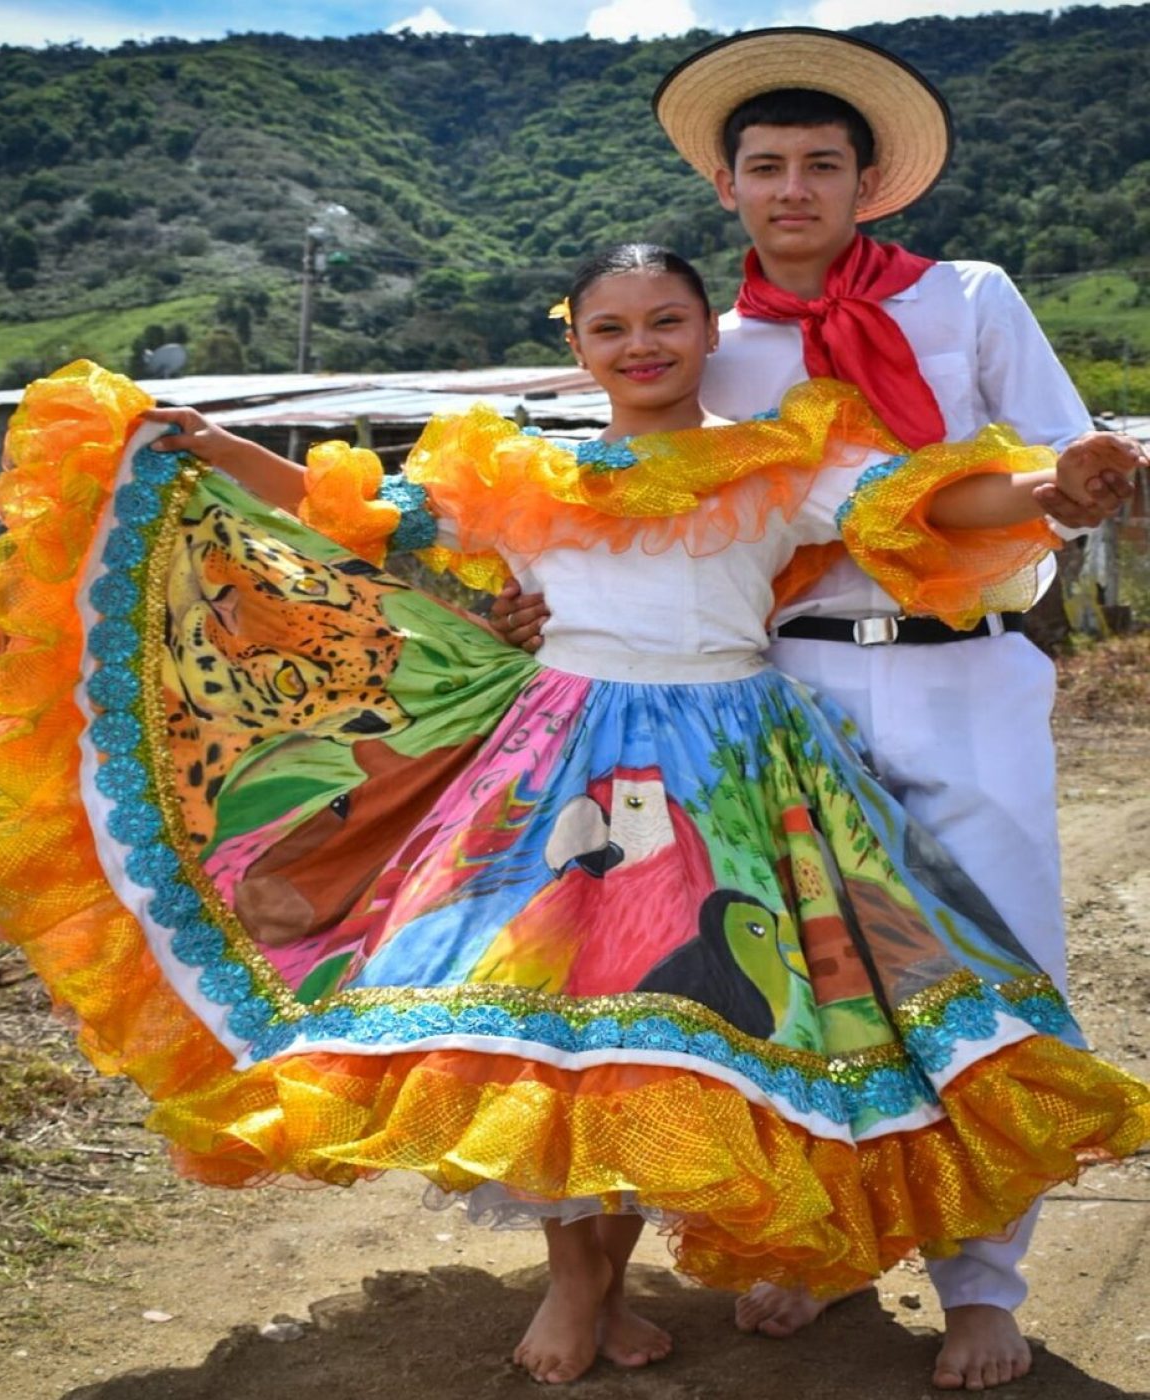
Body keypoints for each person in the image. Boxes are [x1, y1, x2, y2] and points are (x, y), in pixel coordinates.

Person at [0, 246, 1148, 1390]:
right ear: (577, 345)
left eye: (666, 321)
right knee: (551, 1028)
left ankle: (801, 1257)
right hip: (555, 761)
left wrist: (1051, 484)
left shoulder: (781, 460)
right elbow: (369, 512)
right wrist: (217, 448)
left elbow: (922, 495)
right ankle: (582, 1285)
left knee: (701, 1020)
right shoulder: (520, 472)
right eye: (613, 327)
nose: (642, 344)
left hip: (736, 767)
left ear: (707, 335)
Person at [490, 28, 1143, 1391]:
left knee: (994, 965)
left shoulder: (967, 295)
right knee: (792, 980)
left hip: (963, 668)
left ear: (868, 182)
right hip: (776, 689)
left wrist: (1073, 485)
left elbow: (1049, 462)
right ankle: (809, 1238)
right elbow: (632, 497)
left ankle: (984, 1282)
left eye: (822, 166)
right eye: (767, 166)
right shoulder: (706, 341)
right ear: (728, 187)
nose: (794, 189)